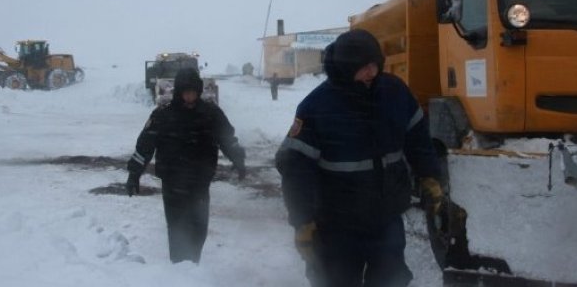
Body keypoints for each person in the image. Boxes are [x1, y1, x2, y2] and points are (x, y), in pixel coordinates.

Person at [275, 29, 444, 287]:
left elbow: (418, 139)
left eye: (375, 65)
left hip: (386, 218)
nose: (372, 73)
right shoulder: (317, 107)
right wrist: (302, 221)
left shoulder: (394, 93)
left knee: (391, 280)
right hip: (335, 225)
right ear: (345, 69)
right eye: (364, 68)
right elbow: (296, 168)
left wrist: (430, 176)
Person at [126, 67, 246, 264]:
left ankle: (193, 268)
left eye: (193, 92)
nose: (190, 96)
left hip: (200, 182)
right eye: (186, 92)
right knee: (178, 228)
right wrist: (134, 174)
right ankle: (180, 271)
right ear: (179, 92)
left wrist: (238, 159)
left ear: (198, 91)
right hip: (173, 183)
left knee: (199, 228)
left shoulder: (210, 113)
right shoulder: (163, 115)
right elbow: (144, 146)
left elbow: (228, 139)